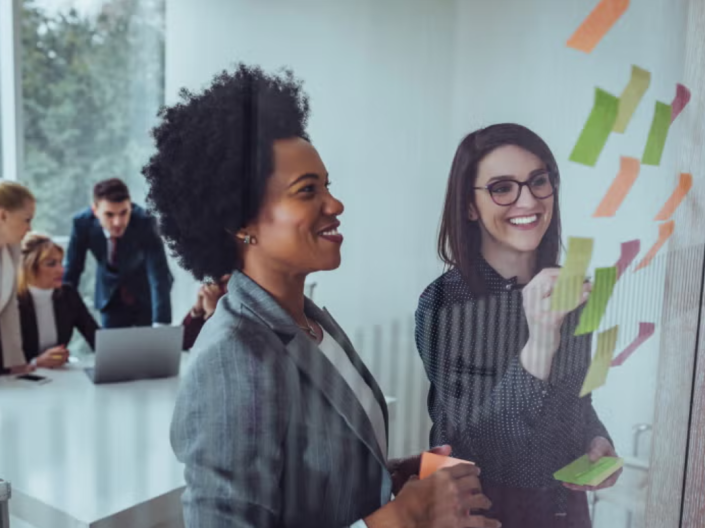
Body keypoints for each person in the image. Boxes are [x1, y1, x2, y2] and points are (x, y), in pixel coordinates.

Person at [144, 64, 499, 528]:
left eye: (327, 185)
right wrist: (400, 518)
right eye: (307, 191)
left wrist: (395, 476)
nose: (334, 204)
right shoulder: (234, 358)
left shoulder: (308, 321)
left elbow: (310, 484)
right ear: (240, 222)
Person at [415, 124, 620, 528]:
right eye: (502, 187)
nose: (527, 200)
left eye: (538, 181)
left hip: (565, 513)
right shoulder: (443, 303)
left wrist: (597, 441)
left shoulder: (573, 286)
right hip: (482, 516)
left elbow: (578, 399)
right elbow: (486, 451)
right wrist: (540, 343)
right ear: (470, 206)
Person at [63, 178, 173, 328]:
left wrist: (161, 322)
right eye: (109, 215)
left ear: (130, 206)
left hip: (146, 294)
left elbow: (158, 272)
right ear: (95, 210)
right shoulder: (82, 223)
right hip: (110, 296)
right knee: (113, 350)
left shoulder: (145, 221)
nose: (118, 222)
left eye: (124, 213)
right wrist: (61, 313)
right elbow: (73, 270)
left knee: (150, 349)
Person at [17, 233, 98, 368]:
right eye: (51, 264)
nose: (61, 270)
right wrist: (35, 363)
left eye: (61, 262)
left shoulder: (68, 295)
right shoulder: (12, 301)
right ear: (29, 267)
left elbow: (96, 337)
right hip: (19, 382)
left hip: (59, 377)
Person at [0, 182, 36, 375]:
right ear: (2, 215)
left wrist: (16, 362)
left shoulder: (12, 248)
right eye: (26, 220)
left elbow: (9, 309)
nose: (30, 228)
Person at [181, 274, 229, 350]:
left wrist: (211, 313)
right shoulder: (213, 288)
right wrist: (197, 309)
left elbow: (226, 346)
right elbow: (182, 342)